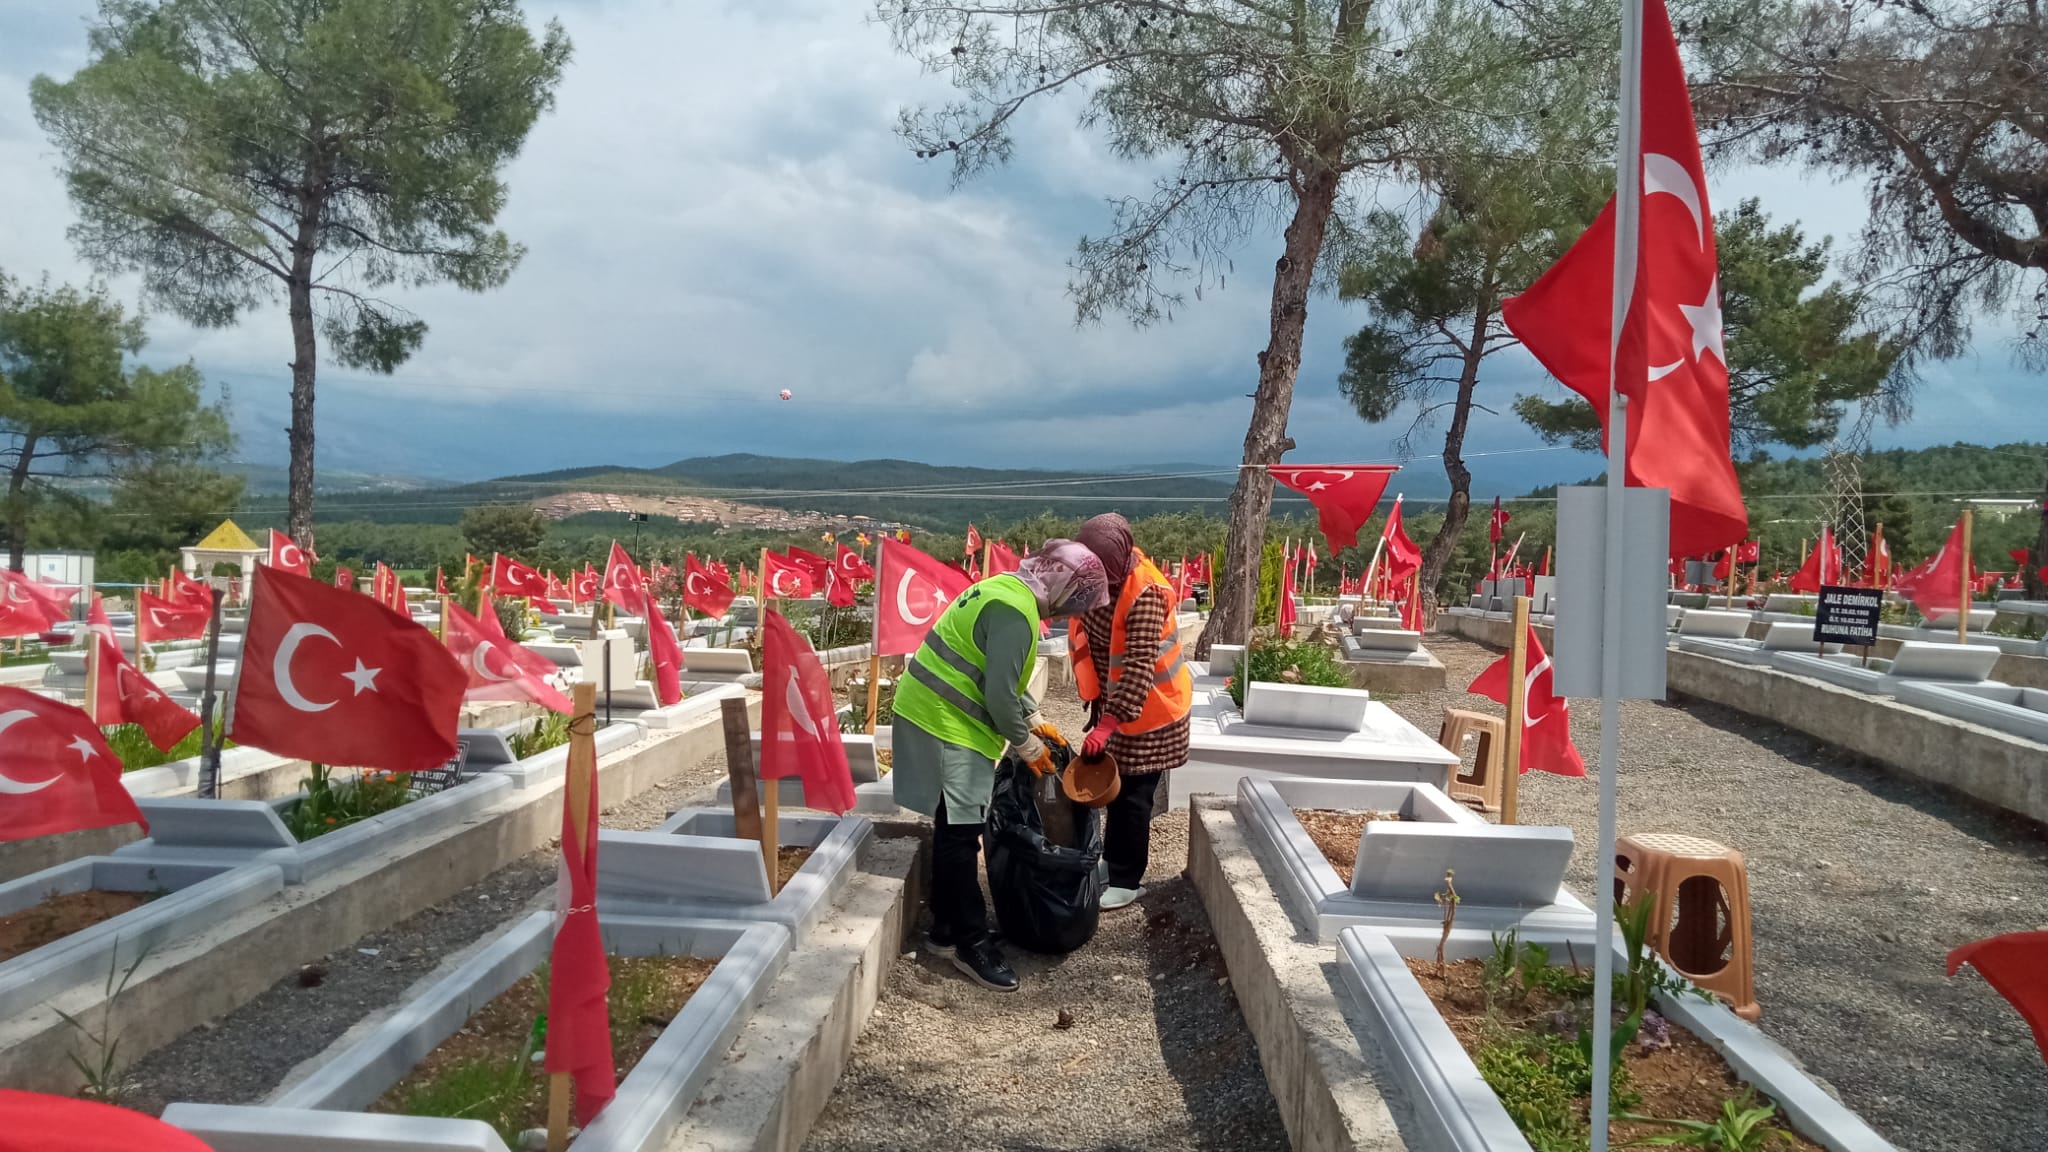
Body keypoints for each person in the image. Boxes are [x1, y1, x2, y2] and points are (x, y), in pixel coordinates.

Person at [890, 540, 1109, 992]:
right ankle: (967, 942)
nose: (1072, 612)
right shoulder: (1016, 614)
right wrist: (1028, 745)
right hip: (946, 721)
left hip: (932, 710)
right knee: (960, 831)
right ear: (1063, 586)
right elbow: (998, 697)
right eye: (1076, 602)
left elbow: (996, 674)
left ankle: (946, 928)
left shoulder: (1004, 590)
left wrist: (1036, 718)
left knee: (954, 823)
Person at [1073, 514, 1194, 912]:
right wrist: (1102, 709)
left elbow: (1140, 665)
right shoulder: (1097, 577)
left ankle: (1128, 879)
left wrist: (1108, 724)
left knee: (1135, 795)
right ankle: (1113, 861)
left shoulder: (1147, 593)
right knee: (1116, 787)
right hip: (1120, 704)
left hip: (1155, 708)